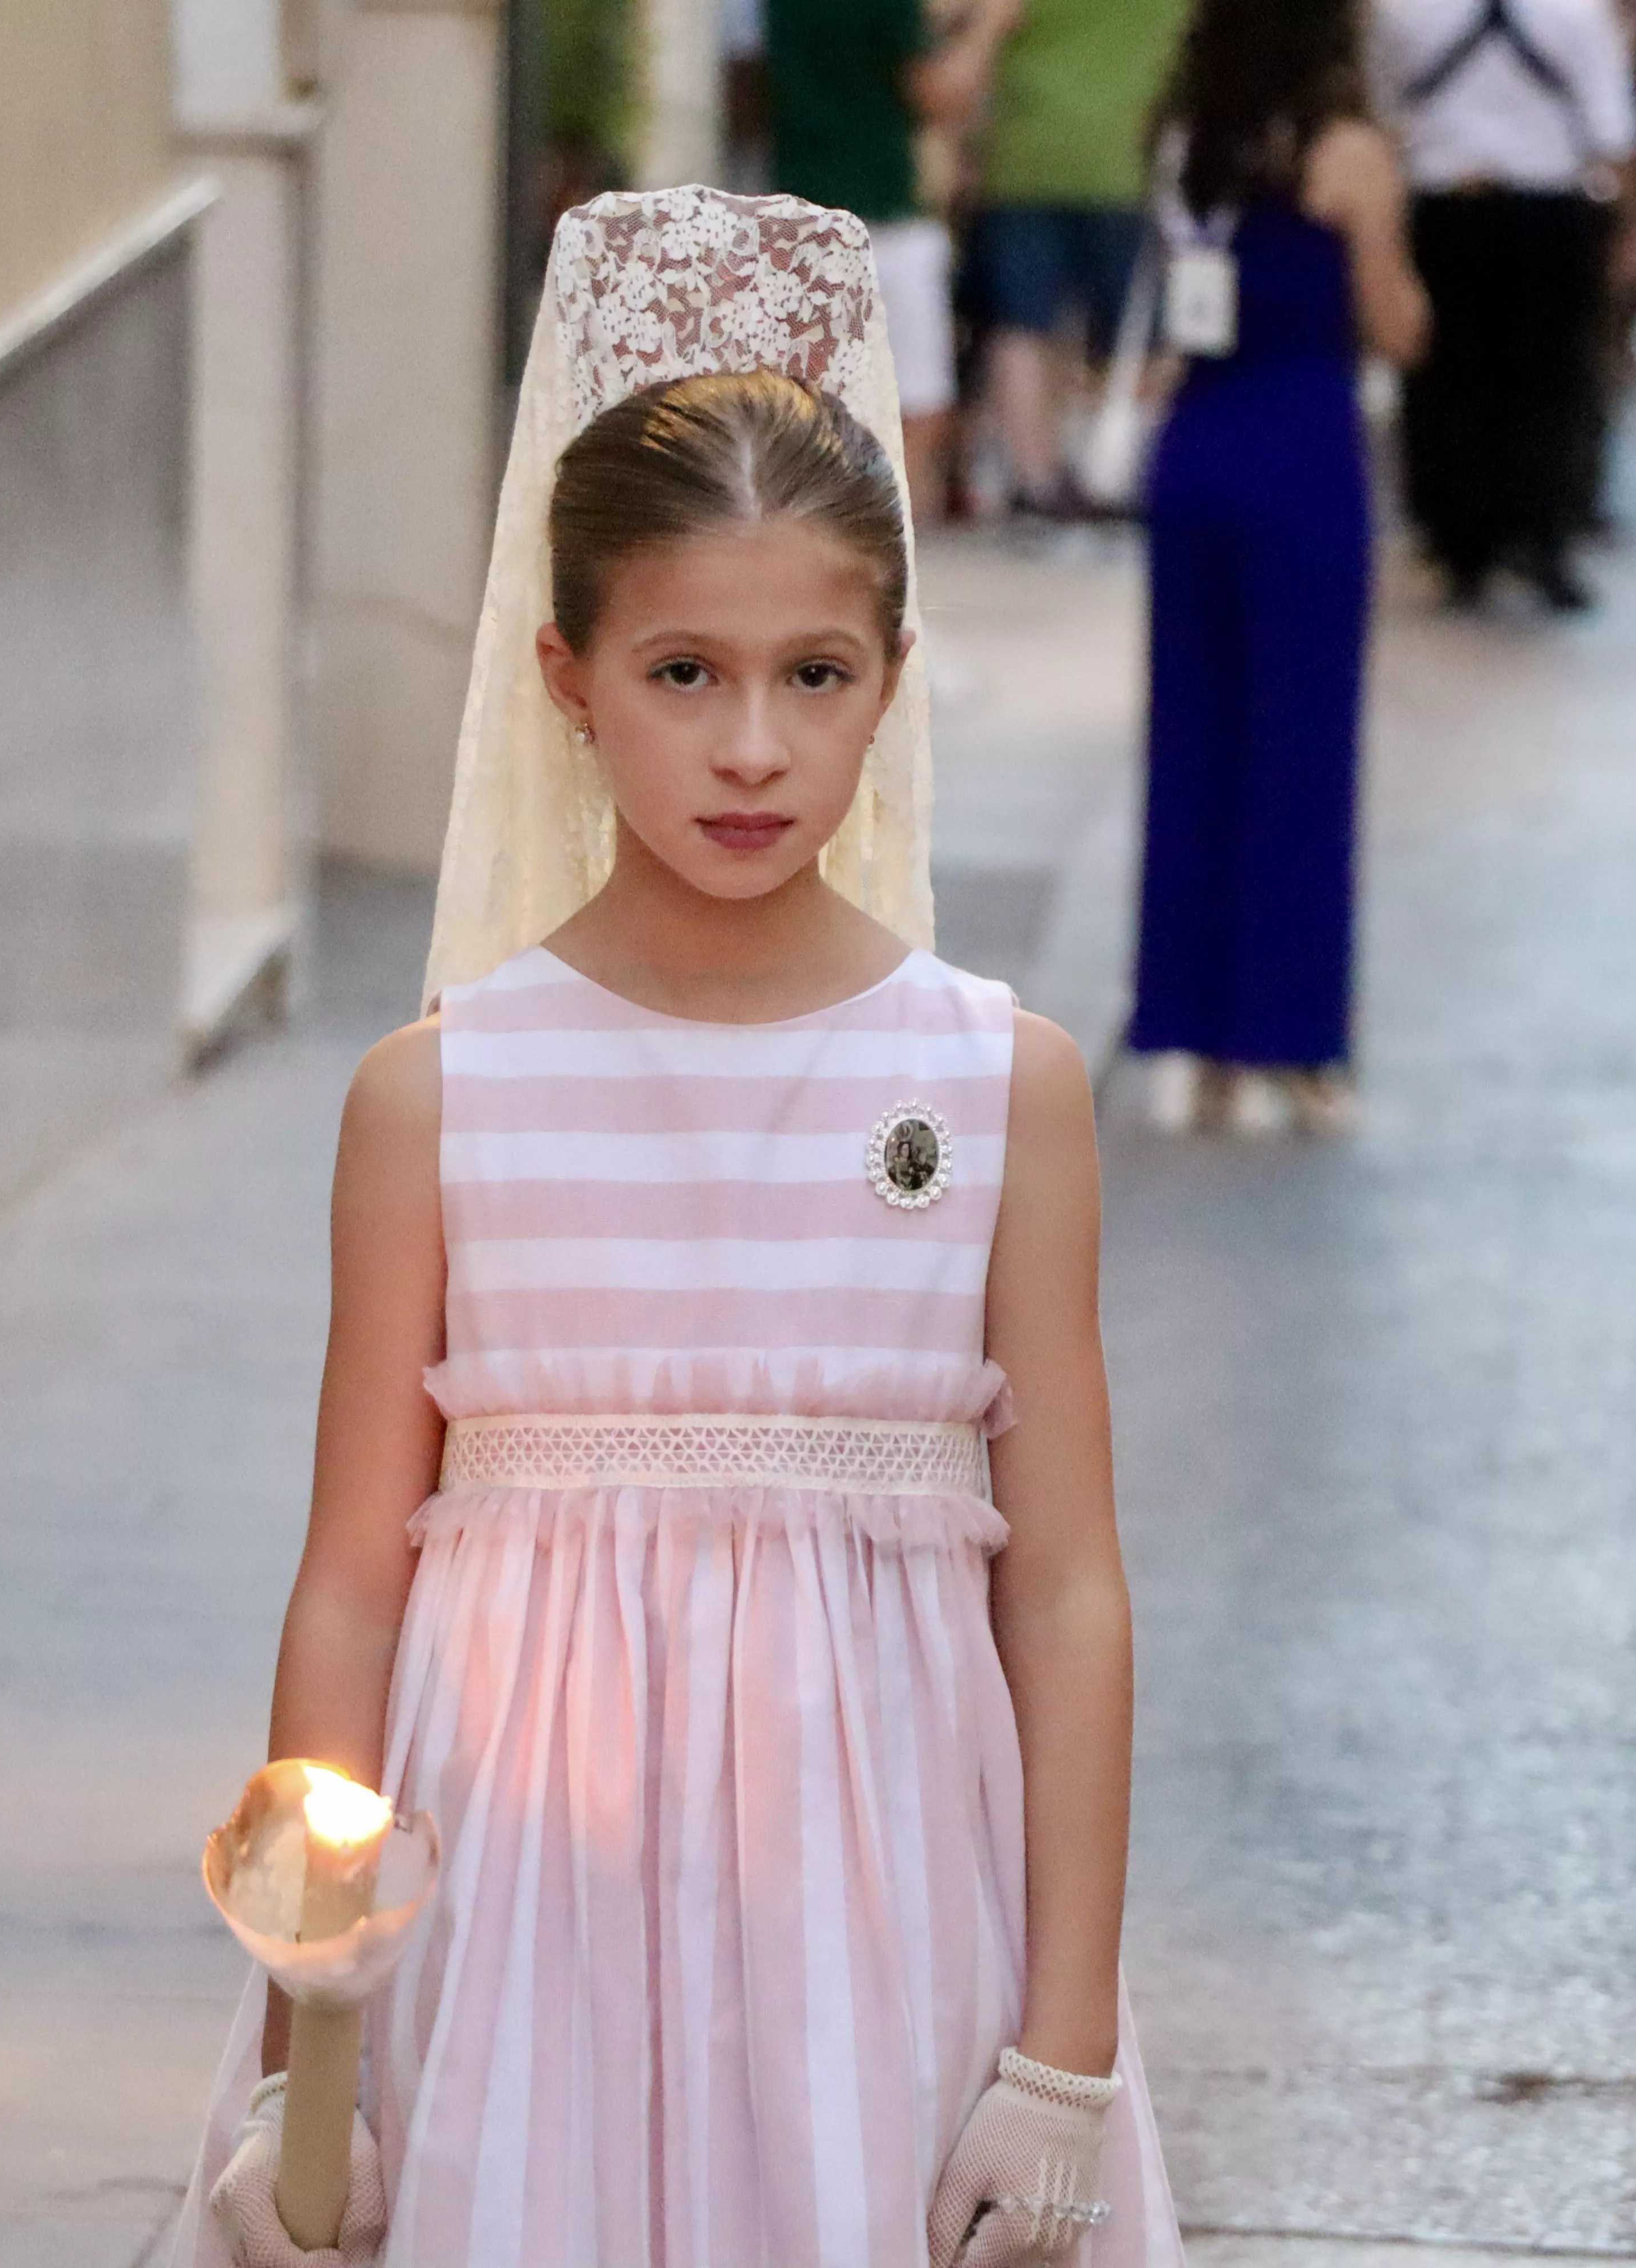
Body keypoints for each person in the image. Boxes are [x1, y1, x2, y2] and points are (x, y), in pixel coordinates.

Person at [162, 189, 1187, 2263]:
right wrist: (302, 2054)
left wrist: (1061, 2055)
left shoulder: (1000, 1086)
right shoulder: (435, 1096)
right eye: (682, 670)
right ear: (566, 677)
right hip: (513, 1953)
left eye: (814, 673)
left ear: (893, 677)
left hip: (888, 1942)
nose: (749, 745)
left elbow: (1065, 1588)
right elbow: (352, 1590)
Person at [1128, 0, 1430, 1135]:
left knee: (1192, 741)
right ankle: (1294, 1040)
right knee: (1300, 750)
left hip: (1197, 443)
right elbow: (1394, 324)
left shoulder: (1181, 139)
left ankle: (1189, 1034)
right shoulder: (1348, 152)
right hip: (1302, 446)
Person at [1374, 0, 1636, 612]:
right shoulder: (1577, 14)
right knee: (1546, 381)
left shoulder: (1406, 11)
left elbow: (1386, 111)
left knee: (1447, 379)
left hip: (1448, 210)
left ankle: (1459, 544)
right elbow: (1615, 129)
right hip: (1544, 212)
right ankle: (1539, 537)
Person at [770, 0, 1029, 515]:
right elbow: (939, 94)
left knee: (815, 401)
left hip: (799, 211)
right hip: (886, 214)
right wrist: (987, 31)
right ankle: (887, 531)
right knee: (920, 405)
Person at [973, 0, 1196, 516]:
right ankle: (1121, 472)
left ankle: (1037, 478)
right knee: (1136, 333)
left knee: (1023, 324)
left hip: (1026, 157)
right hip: (1126, 160)